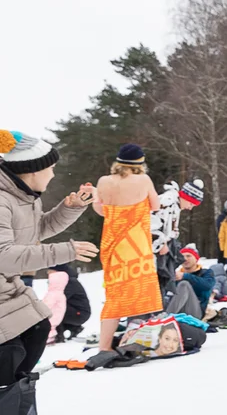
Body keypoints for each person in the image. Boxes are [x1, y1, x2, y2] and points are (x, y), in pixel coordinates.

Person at [1, 129, 96, 386]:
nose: (53, 174)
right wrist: (66, 250)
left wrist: (70, 208)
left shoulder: (24, 197)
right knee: (14, 349)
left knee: (38, 327)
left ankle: (15, 394)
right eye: (51, 168)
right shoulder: (2, 200)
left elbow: (34, 231)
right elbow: (4, 255)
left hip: (8, 288)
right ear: (33, 170)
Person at [93, 143, 162, 361]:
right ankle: (134, 339)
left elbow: (101, 210)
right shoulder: (143, 180)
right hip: (136, 243)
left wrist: (95, 195)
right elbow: (156, 205)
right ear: (140, 163)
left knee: (113, 295)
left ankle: (104, 345)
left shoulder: (104, 182)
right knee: (139, 290)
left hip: (113, 244)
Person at [152, 179, 204, 301]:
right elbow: (150, 224)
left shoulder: (175, 205)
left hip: (164, 246)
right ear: (186, 197)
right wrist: (161, 243)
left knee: (163, 278)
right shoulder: (167, 202)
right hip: (155, 249)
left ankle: (157, 307)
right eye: (191, 204)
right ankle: (151, 311)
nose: (190, 208)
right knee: (157, 279)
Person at [165, 245, 214, 318]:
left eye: (188, 256)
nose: (185, 259)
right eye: (182, 256)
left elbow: (207, 286)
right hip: (177, 310)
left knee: (184, 284)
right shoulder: (175, 275)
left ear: (196, 258)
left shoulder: (206, 273)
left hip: (196, 312)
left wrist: (186, 276)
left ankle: (166, 318)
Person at [52, 263, 91, 343]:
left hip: (80, 314)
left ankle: (59, 336)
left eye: (50, 271)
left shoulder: (69, 282)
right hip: (76, 311)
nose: (48, 274)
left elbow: (59, 299)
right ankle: (74, 328)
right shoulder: (65, 280)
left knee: (55, 309)